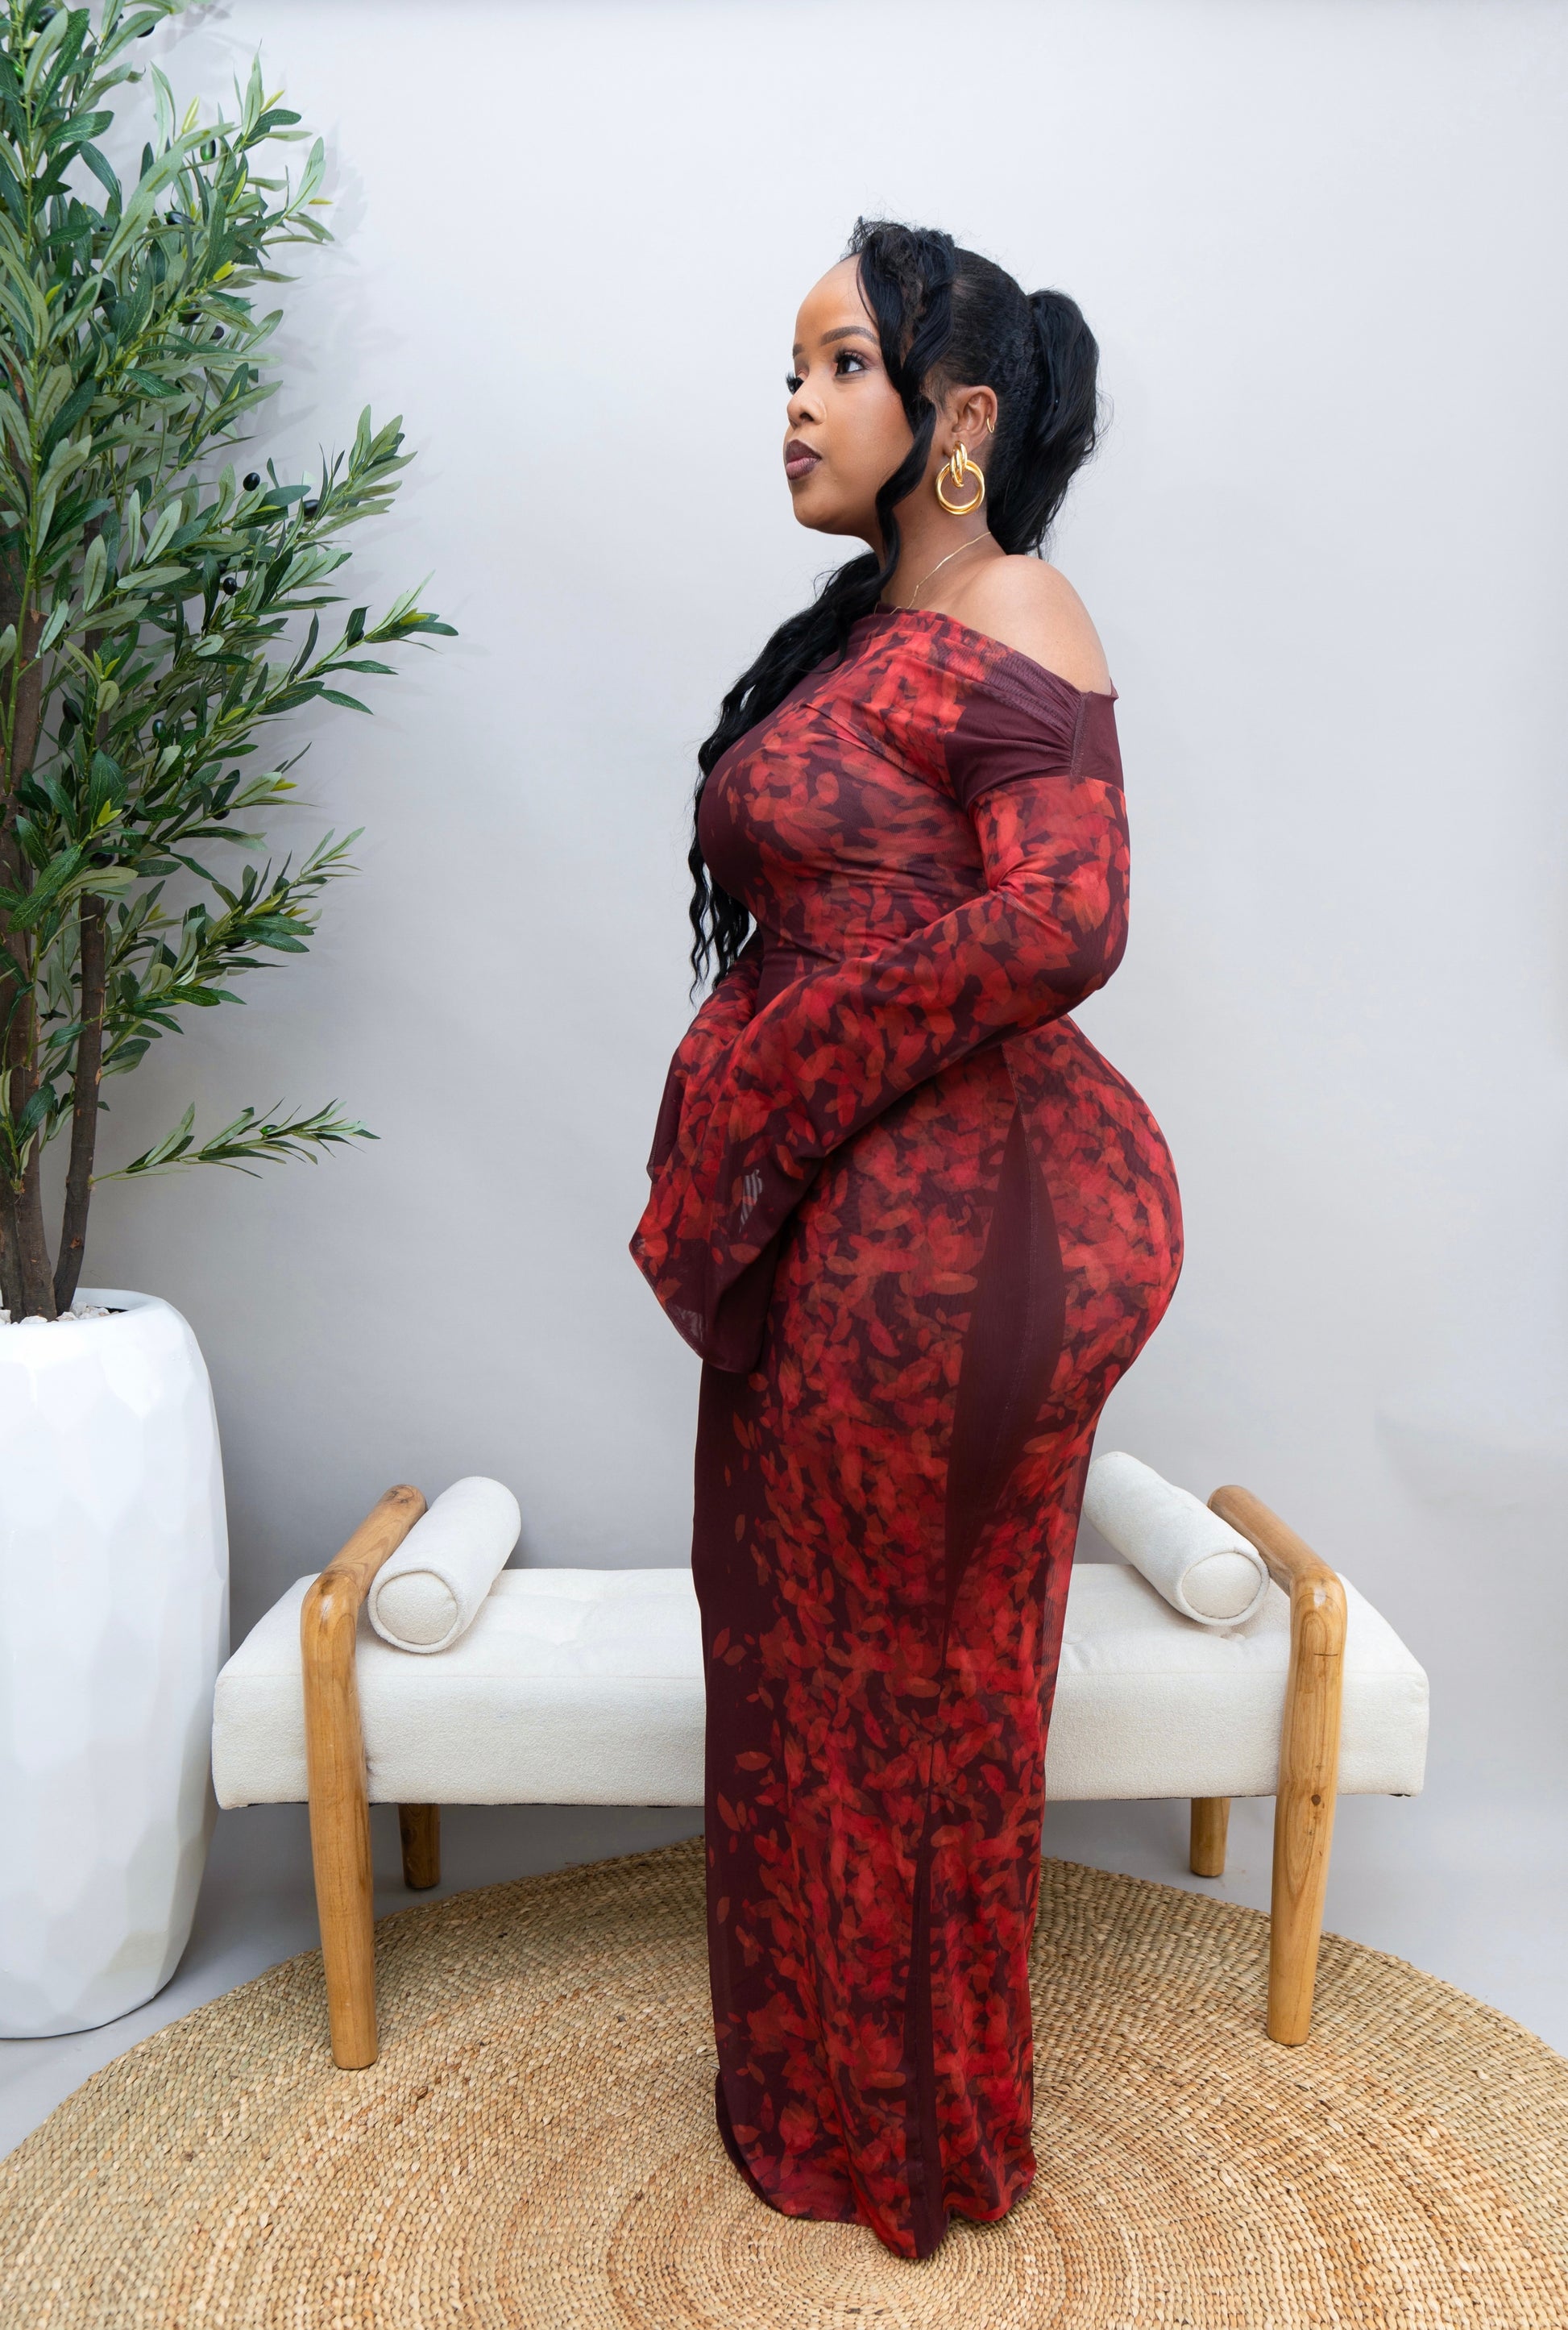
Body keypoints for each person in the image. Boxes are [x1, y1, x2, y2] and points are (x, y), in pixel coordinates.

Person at [631, 218, 1183, 2261]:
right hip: (844, 1227)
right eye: (790, 368)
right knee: (799, 1659)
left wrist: (781, 1069)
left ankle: (913, 2141)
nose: (794, 404)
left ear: (955, 418)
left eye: (837, 364)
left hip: (953, 1242)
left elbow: (1067, 917)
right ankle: (811, 2102)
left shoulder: (1018, 601)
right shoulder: (868, 630)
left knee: (904, 1689)